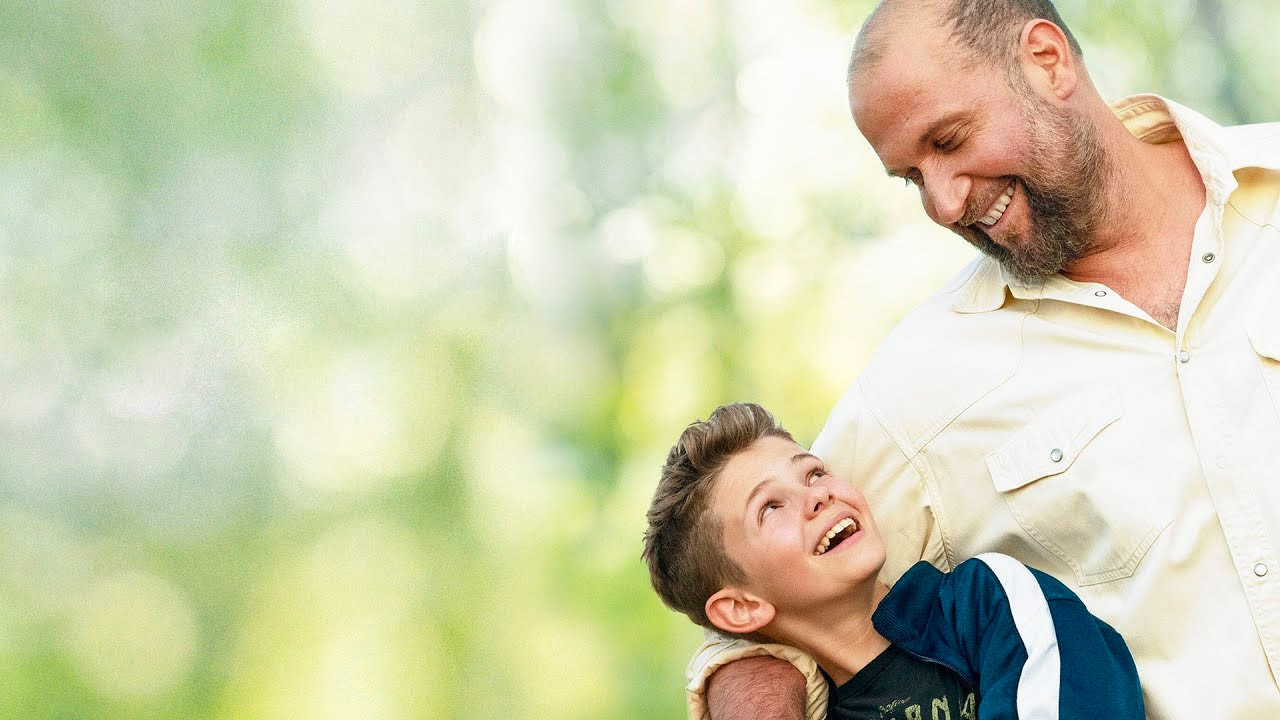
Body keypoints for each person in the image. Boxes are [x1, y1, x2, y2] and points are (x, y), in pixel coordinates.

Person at [689, 1, 1280, 719]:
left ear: (1046, 61)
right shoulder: (921, 388)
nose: (941, 205)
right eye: (910, 176)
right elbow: (756, 596)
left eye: (948, 140)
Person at [644, 402, 1144, 719]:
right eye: (770, 507)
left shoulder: (987, 602)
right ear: (740, 608)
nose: (817, 497)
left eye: (814, 473)